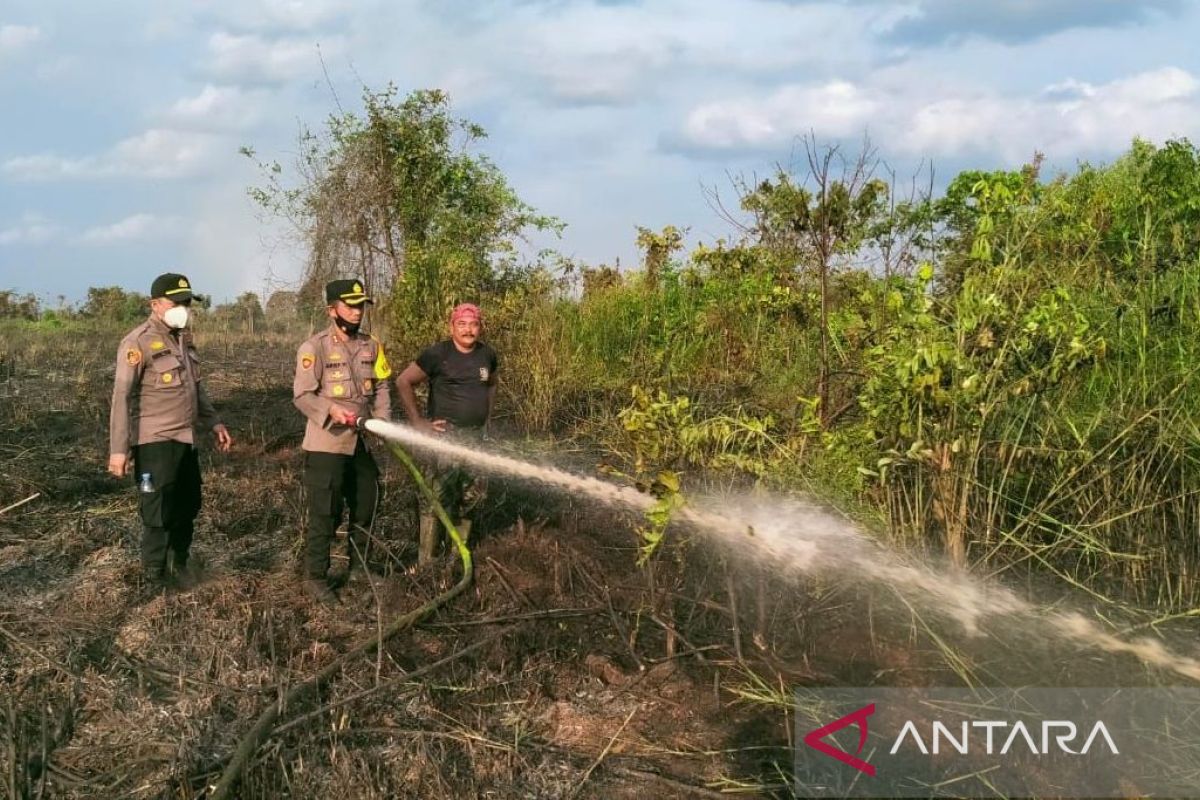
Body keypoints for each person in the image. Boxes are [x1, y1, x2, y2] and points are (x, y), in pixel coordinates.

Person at [108, 272, 233, 589]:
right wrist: (119, 450)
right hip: (154, 444)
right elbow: (121, 397)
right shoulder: (137, 343)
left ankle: (180, 560)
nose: (183, 308)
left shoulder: (183, 340)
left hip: (186, 440)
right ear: (155, 304)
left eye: (187, 302)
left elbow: (196, 389)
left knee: (188, 503)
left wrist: (214, 421)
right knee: (157, 509)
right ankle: (155, 573)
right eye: (176, 302)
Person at [293, 278, 392, 606]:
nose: (357, 311)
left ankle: (359, 568)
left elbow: (381, 387)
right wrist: (331, 409)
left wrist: (383, 422)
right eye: (350, 305)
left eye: (360, 305)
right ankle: (316, 577)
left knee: (367, 500)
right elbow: (302, 395)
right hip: (327, 444)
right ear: (331, 309)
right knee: (326, 511)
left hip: (358, 444)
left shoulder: (372, 345)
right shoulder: (314, 348)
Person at [395, 303, 498, 563]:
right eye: (462, 324)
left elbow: (492, 385)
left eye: (473, 324)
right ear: (452, 327)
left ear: (480, 327)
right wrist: (418, 421)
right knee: (435, 497)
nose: (468, 330)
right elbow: (403, 381)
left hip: (475, 438)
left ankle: (456, 554)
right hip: (444, 438)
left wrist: (487, 420)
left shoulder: (487, 355)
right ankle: (426, 562)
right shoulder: (438, 354)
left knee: (473, 496)